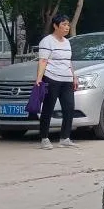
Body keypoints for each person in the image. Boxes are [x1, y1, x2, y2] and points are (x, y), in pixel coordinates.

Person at [34, 14, 79, 149]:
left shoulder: (67, 42)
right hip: (51, 78)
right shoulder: (47, 41)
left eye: (68, 25)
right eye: (64, 25)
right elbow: (43, 60)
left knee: (69, 108)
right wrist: (39, 79)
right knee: (48, 108)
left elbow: (68, 61)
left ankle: (65, 137)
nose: (67, 27)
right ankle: (44, 138)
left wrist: (74, 76)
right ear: (55, 26)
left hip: (66, 79)